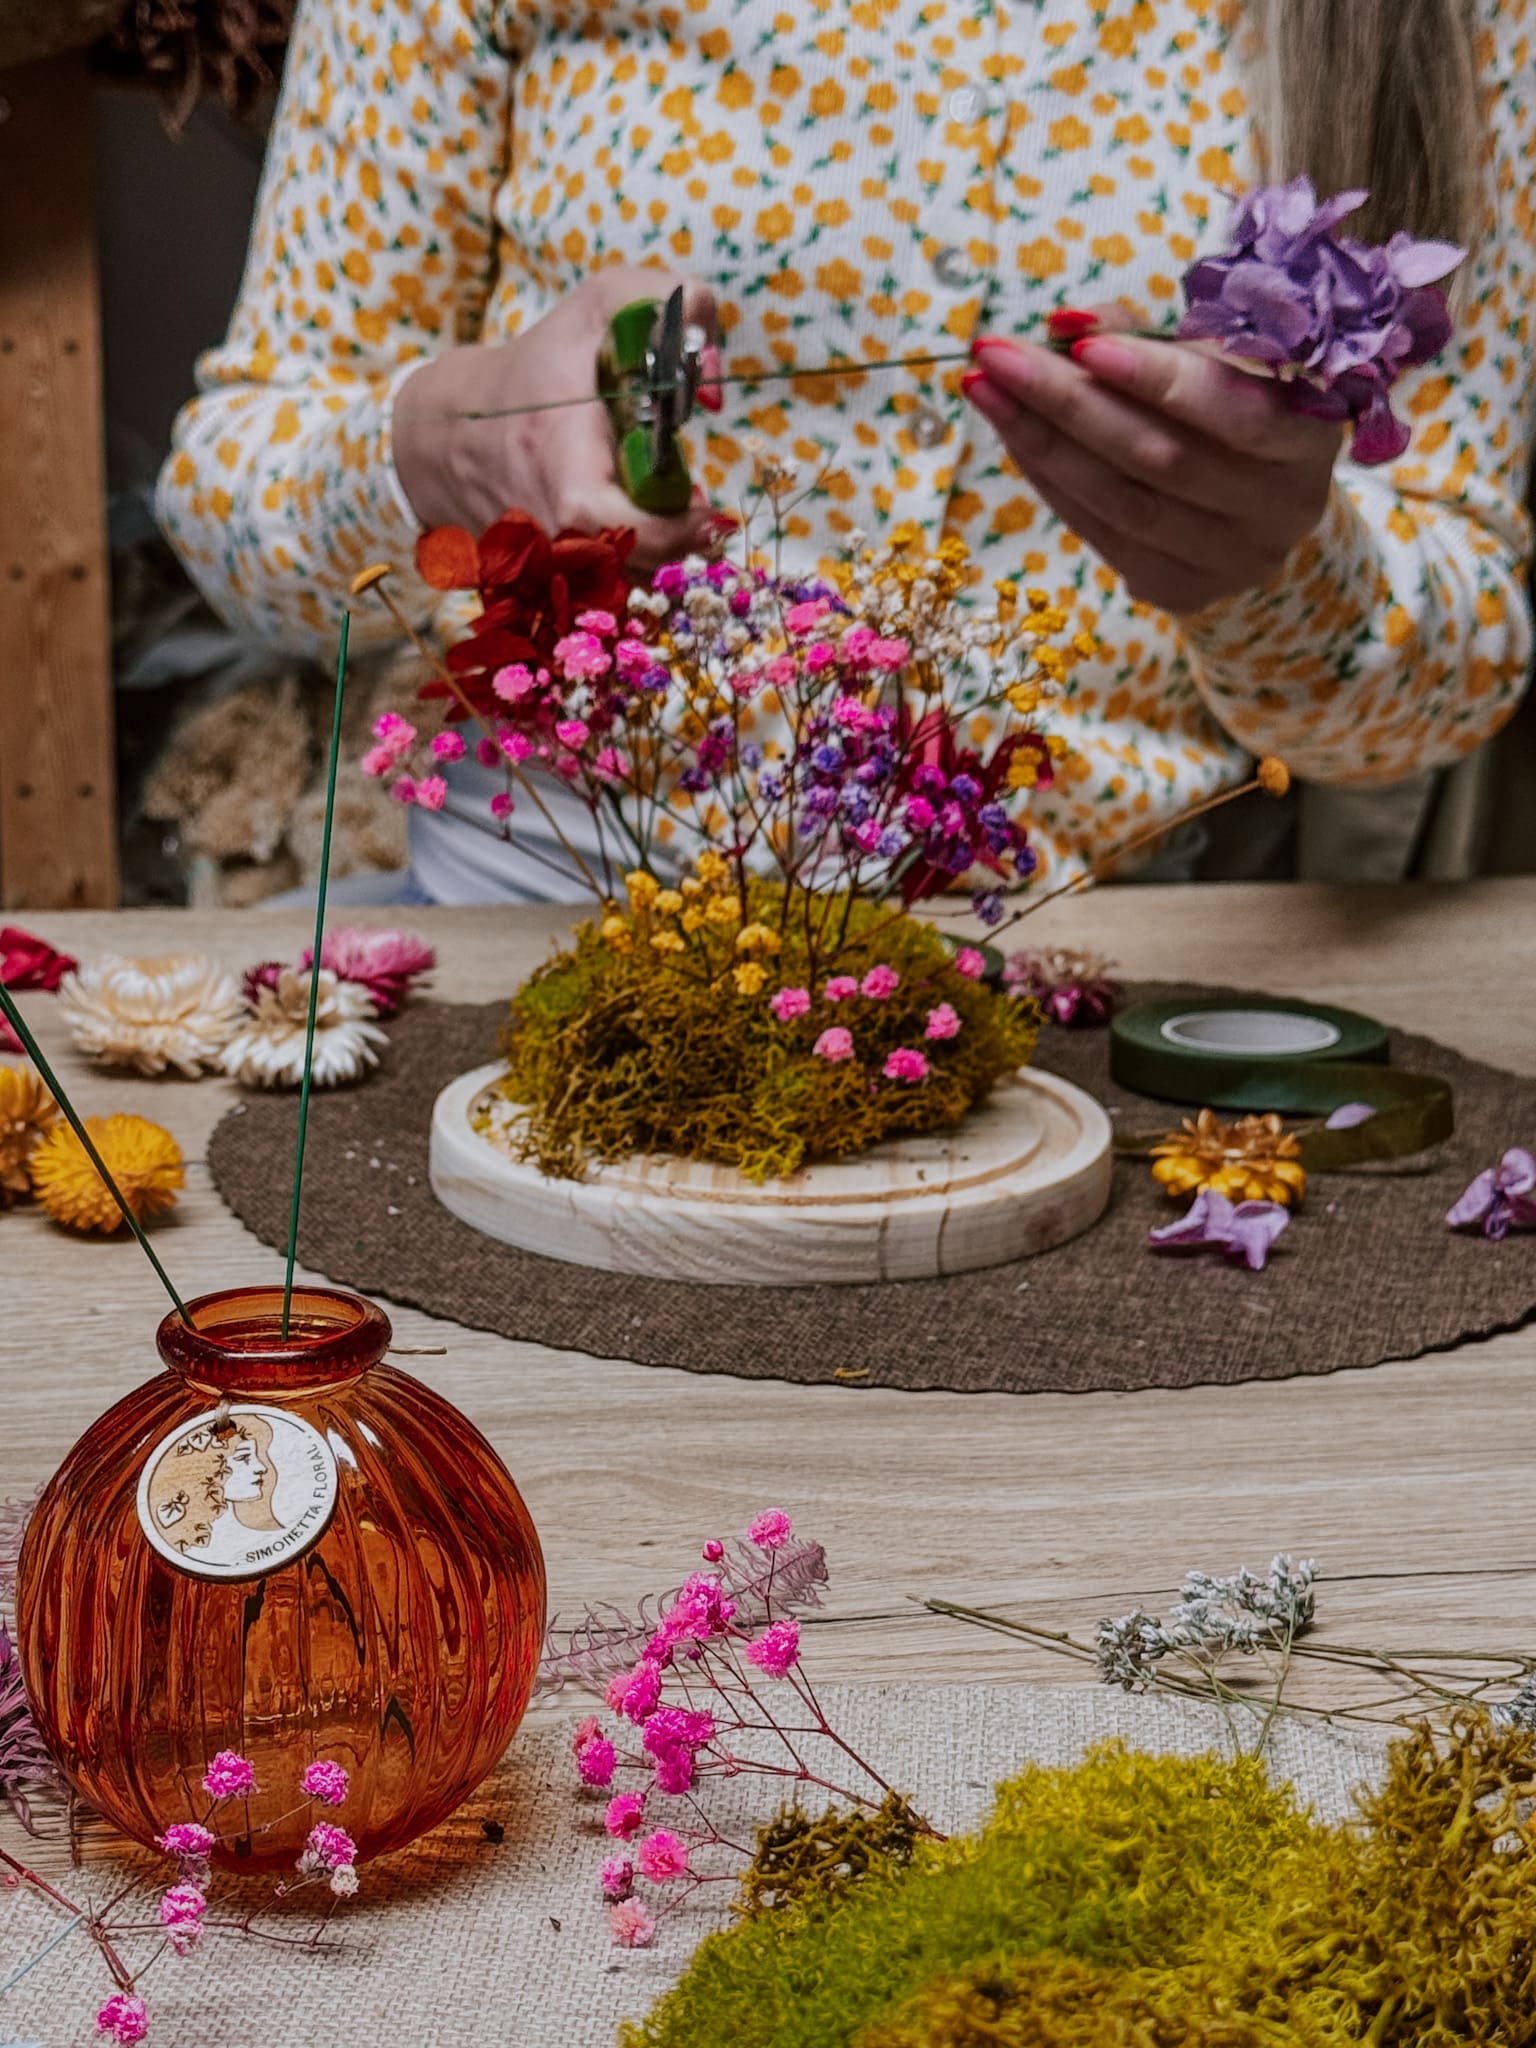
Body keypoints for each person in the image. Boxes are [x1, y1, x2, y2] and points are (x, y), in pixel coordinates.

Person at [158, 0, 1536, 904]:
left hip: (1085, 981)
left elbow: (1449, 682)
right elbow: (228, 508)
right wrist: (445, 445)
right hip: (532, 932)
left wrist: (1283, 576)